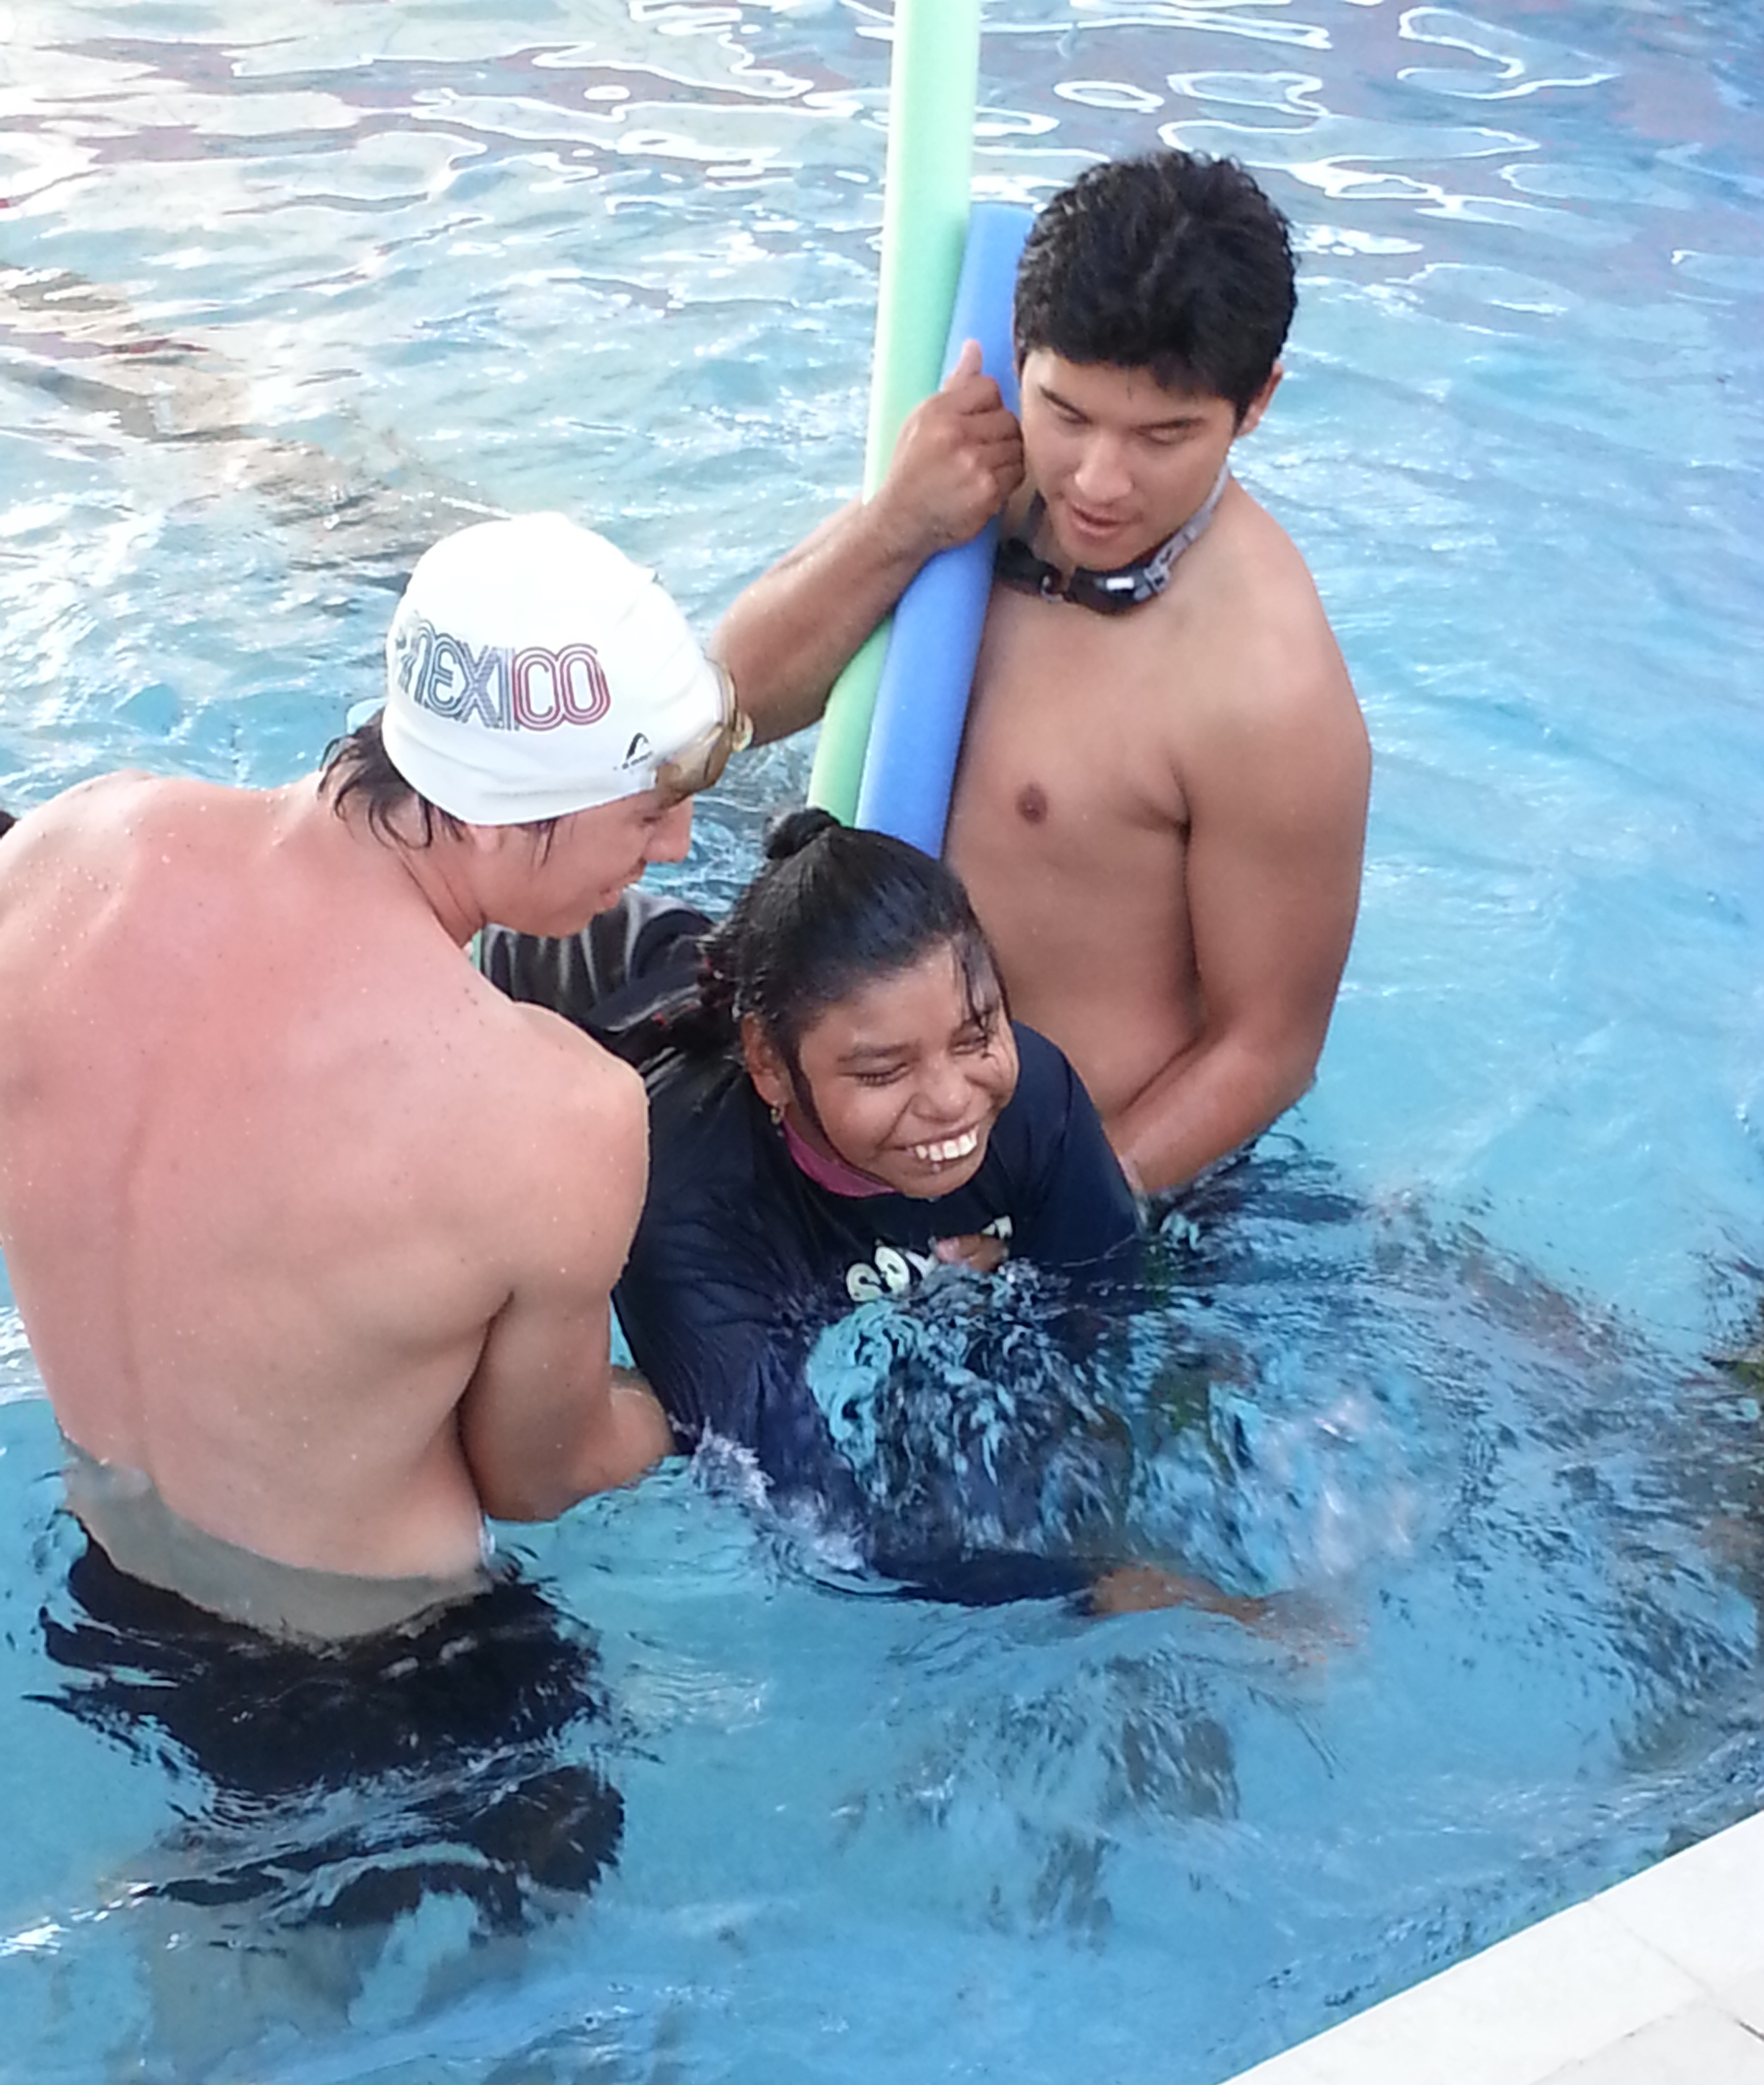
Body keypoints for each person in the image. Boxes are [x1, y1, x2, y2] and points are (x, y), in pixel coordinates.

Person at [0, 511, 749, 1640]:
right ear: (499, 820)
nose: (682, 843)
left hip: (104, 1606)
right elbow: (539, 1478)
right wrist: (719, 1376)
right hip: (386, 1683)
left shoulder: (56, 860)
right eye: (648, 809)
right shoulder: (552, 1114)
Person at [713, 149, 1371, 1202]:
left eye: (1165, 435)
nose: (1100, 483)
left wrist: (1045, 1224)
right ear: (1022, 356)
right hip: (839, 1103)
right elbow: (723, 711)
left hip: (1054, 1169)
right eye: (1066, 414)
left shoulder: (1263, 684)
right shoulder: (969, 481)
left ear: (1256, 406)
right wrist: (897, 524)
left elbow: (1266, 1049)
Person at [487, 813, 1282, 1617]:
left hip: (731, 994)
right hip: (575, 987)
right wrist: (1093, 1592)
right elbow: (817, 1523)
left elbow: (1110, 1323)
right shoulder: (687, 1214)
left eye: (976, 1034)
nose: (951, 1103)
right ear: (768, 1065)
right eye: (882, 1071)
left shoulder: (1032, 1098)